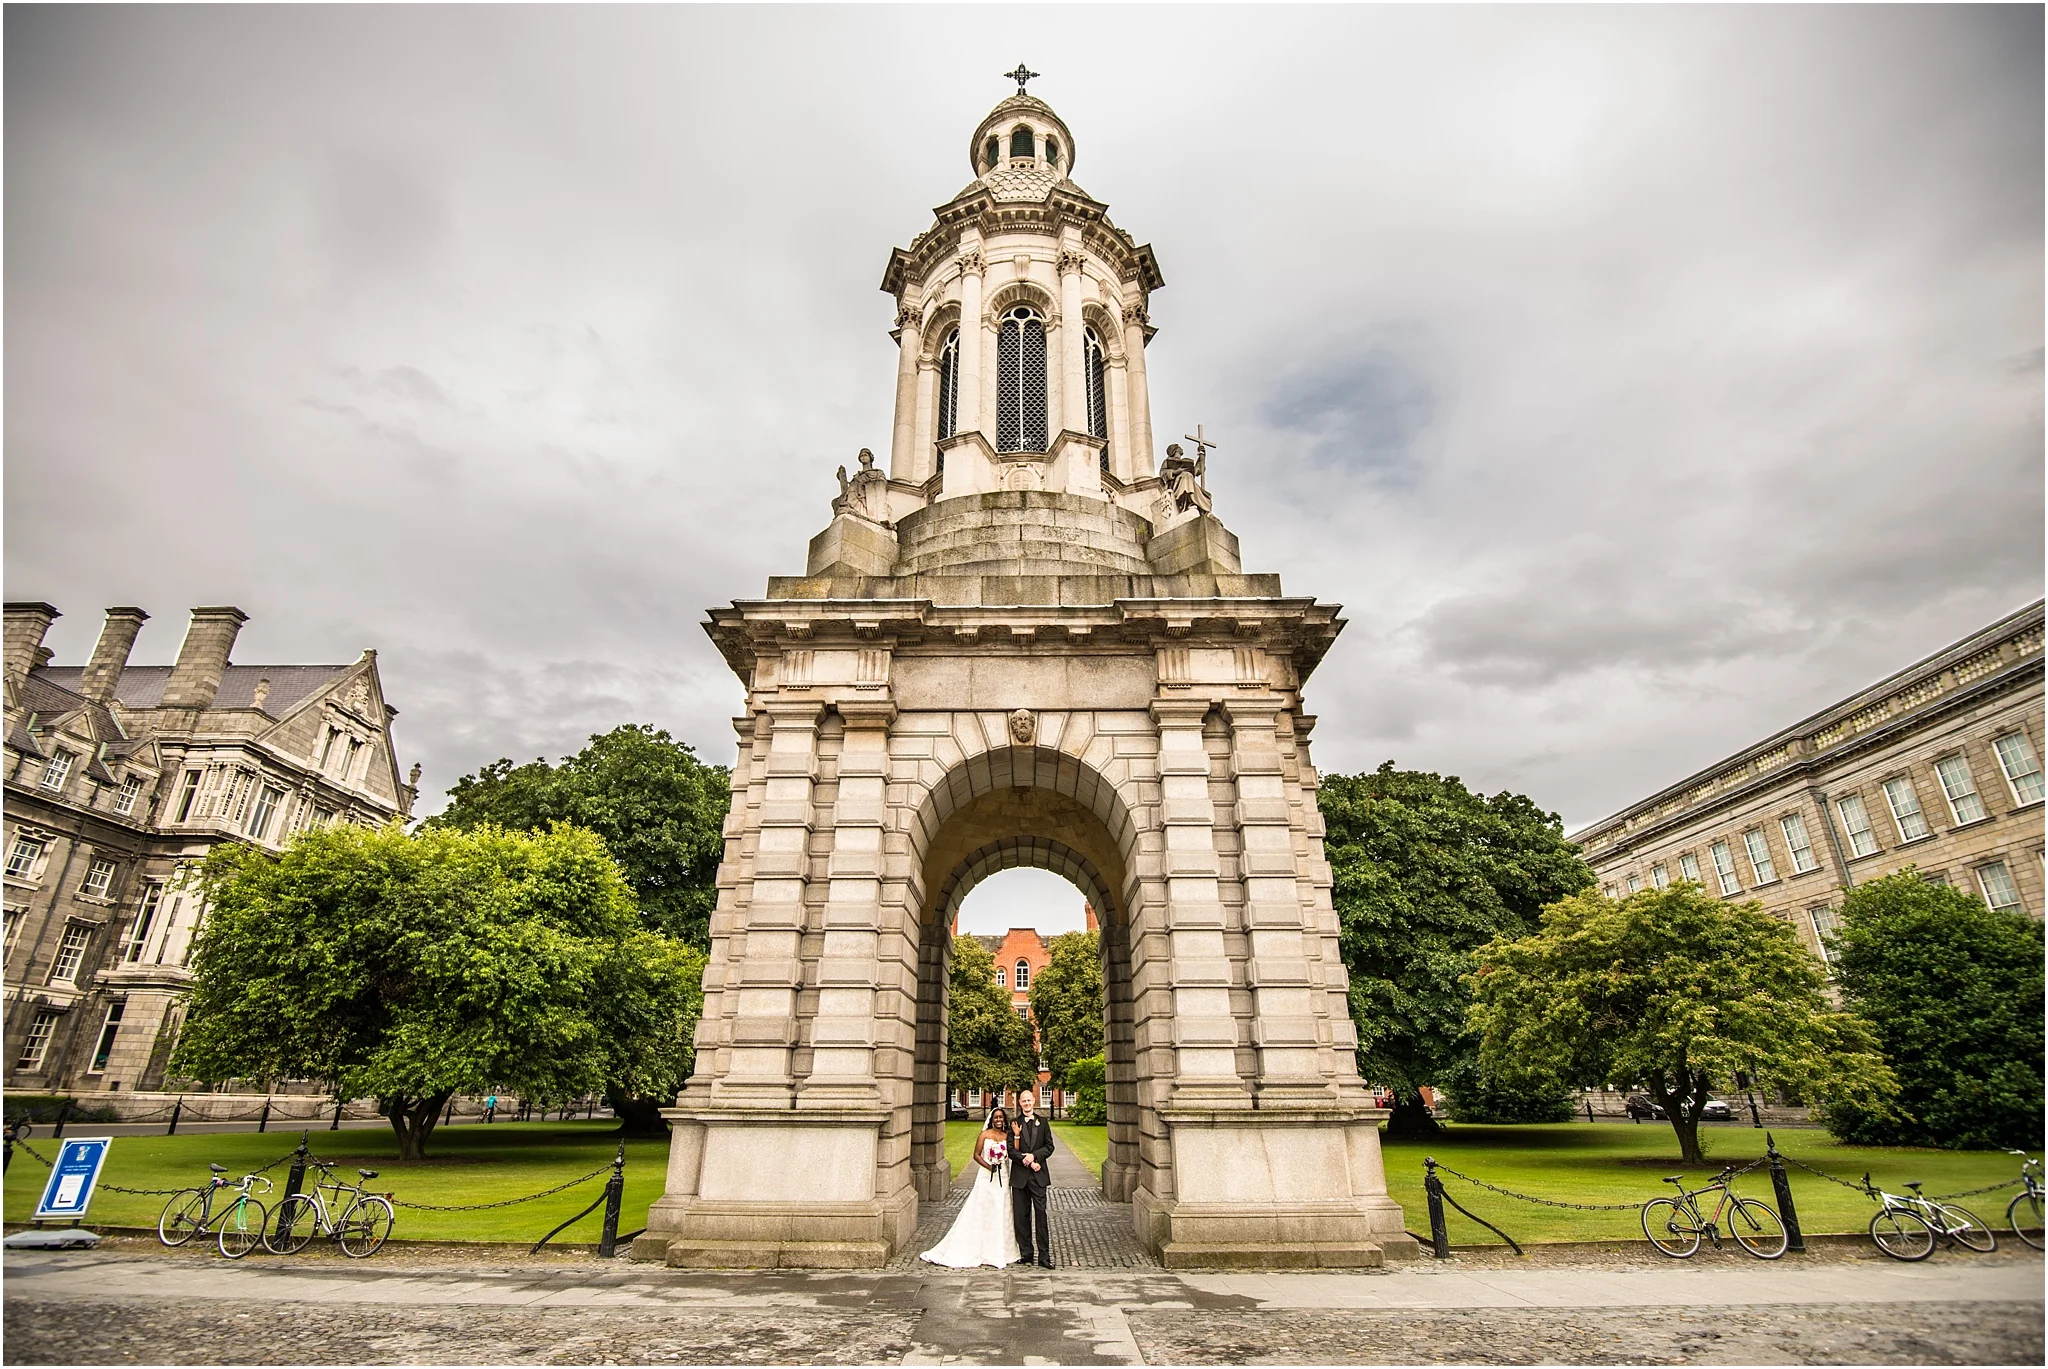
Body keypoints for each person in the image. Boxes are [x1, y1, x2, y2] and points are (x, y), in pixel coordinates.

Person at [919, 1107, 1022, 1268]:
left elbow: (1014, 1151)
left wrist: (1016, 1134)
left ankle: (1001, 1250)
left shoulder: (1006, 1135)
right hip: (986, 1177)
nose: (998, 1120)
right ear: (991, 1119)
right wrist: (989, 1166)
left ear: (1004, 1119)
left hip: (1002, 1176)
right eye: (995, 1117)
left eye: (1001, 1117)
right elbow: (976, 1154)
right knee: (982, 1209)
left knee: (1001, 1210)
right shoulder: (984, 1135)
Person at [1009, 1093, 1055, 1268]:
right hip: (1020, 1177)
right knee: (1022, 1217)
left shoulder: (1042, 1122)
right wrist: (1025, 1160)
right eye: (1024, 1101)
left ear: (1033, 1101)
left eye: (1029, 1100)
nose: (1027, 1103)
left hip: (1038, 1177)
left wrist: (1034, 1156)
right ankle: (1026, 1253)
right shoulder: (1014, 1123)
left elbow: (1049, 1146)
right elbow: (1011, 1150)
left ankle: (1044, 1256)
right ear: (1019, 1103)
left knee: (1041, 1215)